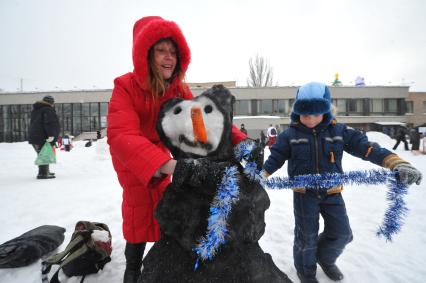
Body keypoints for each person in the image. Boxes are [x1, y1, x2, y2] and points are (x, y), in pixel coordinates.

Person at [106, 16, 247, 283]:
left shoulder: (177, 89)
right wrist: (170, 165)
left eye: (173, 51)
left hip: (162, 156)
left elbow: (206, 121)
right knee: (138, 209)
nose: (168, 57)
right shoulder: (125, 86)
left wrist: (241, 142)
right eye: (161, 50)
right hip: (132, 157)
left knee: (164, 206)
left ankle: (161, 259)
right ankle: (133, 268)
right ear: (145, 54)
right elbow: (121, 134)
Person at [262, 82, 422, 283]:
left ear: (326, 111)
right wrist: (259, 177)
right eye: (305, 114)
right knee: (306, 237)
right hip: (304, 195)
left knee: (342, 234)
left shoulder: (339, 131)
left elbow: (368, 148)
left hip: (332, 193)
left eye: (315, 113)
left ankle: (324, 257)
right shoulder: (289, 136)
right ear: (297, 112)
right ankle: (306, 271)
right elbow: (274, 159)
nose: (309, 119)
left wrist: (396, 163)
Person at [28, 95, 60, 179]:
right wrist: (51, 135)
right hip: (42, 136)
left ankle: (45, 171)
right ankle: (43, 174)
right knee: (44, 154)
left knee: (43, 154)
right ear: (51, 102)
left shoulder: (37, 110)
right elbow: (49, 123)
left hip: (36, 136)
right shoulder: (48, 110)